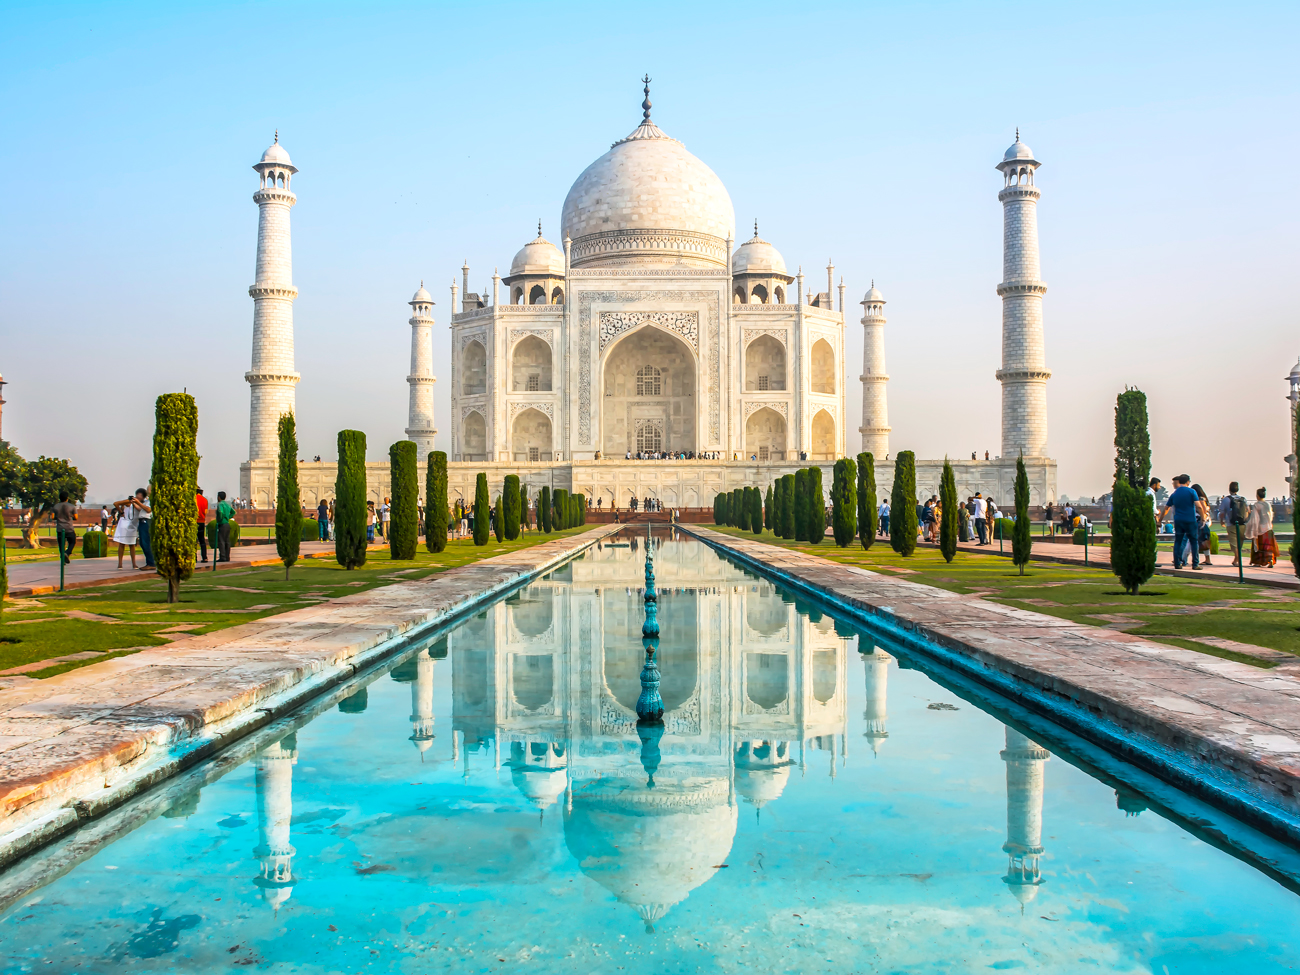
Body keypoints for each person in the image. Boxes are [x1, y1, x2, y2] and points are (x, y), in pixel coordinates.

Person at [1158, 474, 1201, 570]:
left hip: (1178, 520)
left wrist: (1160, 520)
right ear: (1188, 482)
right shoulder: (1191, 492)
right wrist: (1203, 517)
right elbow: (1198, 506)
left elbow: (1166, 508)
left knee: (1178, 541)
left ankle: (1177, 563)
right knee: (1194, 542)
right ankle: (1195, 564)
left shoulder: (1174, 494)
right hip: (1190, 520)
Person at [112, 489, 148, 568]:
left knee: (132, 544)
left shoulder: (143, 504)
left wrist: (135, 503)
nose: (138, 496)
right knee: (122, 543)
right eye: (137, 494)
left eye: (140, 495)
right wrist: (121, 512)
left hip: (133, 524)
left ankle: (134, 564)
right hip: (125, 523)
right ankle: (120, 564)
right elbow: (116, 503)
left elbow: (140, 509)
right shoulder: (129, 502)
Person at [1246, 487, 1278, 567]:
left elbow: (1255, 519)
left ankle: (1258, 562)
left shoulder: (1257, 505)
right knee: (1268, 546)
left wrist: (1252, 529)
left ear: (1257, 496)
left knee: (1259, 546)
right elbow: (1270, 516)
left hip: (1260, 529)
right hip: (1268, 527)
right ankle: (1270, 560)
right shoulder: (1267, 504)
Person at [1217, 482, 1247, 567]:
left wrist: (1221, 521)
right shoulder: (1243, 499)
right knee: (1239, 543)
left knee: (1234, 543)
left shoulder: (1226, 499)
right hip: (1242, 524)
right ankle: (1236, 560)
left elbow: (1222, 512)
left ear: (1229, 489)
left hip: (1231, 523)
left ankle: (1237, 560)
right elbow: (1247, 510)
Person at [52, 491, 78, 564]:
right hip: (69, 527)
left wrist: (59, 517)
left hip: (60, 528)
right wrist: (70, 517)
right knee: (72, 541)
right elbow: (76, 517)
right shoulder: (72, 506)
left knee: (61, 544)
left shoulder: (55, 506)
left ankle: (63, 558)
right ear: (67, 498)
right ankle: (67, 552)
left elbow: (53, 517)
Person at [1191, 483, 1213, 566]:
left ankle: (1183, 557)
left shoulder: (1200, 499)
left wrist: (1203, 520)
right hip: (1205, 520)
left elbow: (1202, 510)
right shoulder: (1205, 499)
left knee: (1198, 539)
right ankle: (1207, 559)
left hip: (1202, 520)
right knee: (1203, 539)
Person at [136, 486, 155, 570]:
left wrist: (138, 503)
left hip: (146, 521)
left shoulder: (152, 500)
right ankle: (149, 562)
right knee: (143, 543)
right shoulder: (147, 500)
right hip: (142, 521)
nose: (147, 491)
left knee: (146, 542)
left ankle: (151, 563)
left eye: (148, 490)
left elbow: (148, 510)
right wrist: (134, 503)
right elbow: (141, 509)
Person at [214, 491, 235, 562]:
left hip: (222, 524)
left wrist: (220, 518)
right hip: (227, 524)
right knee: (227, 541)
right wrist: (228, 517)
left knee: (221, 541)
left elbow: (220, 511)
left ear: (219, 497)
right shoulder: (227, 504)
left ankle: (222, 557)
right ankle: (227, 557)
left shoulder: (220, 504)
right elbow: (234, 512)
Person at [195, 487, 209, 564]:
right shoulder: (205, 500)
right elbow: (205, 511)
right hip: (201, 521)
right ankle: (204, 557)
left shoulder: (193, 499)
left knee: (194, 541)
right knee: (202, 541)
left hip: (194, 521)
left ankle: (194, 558)